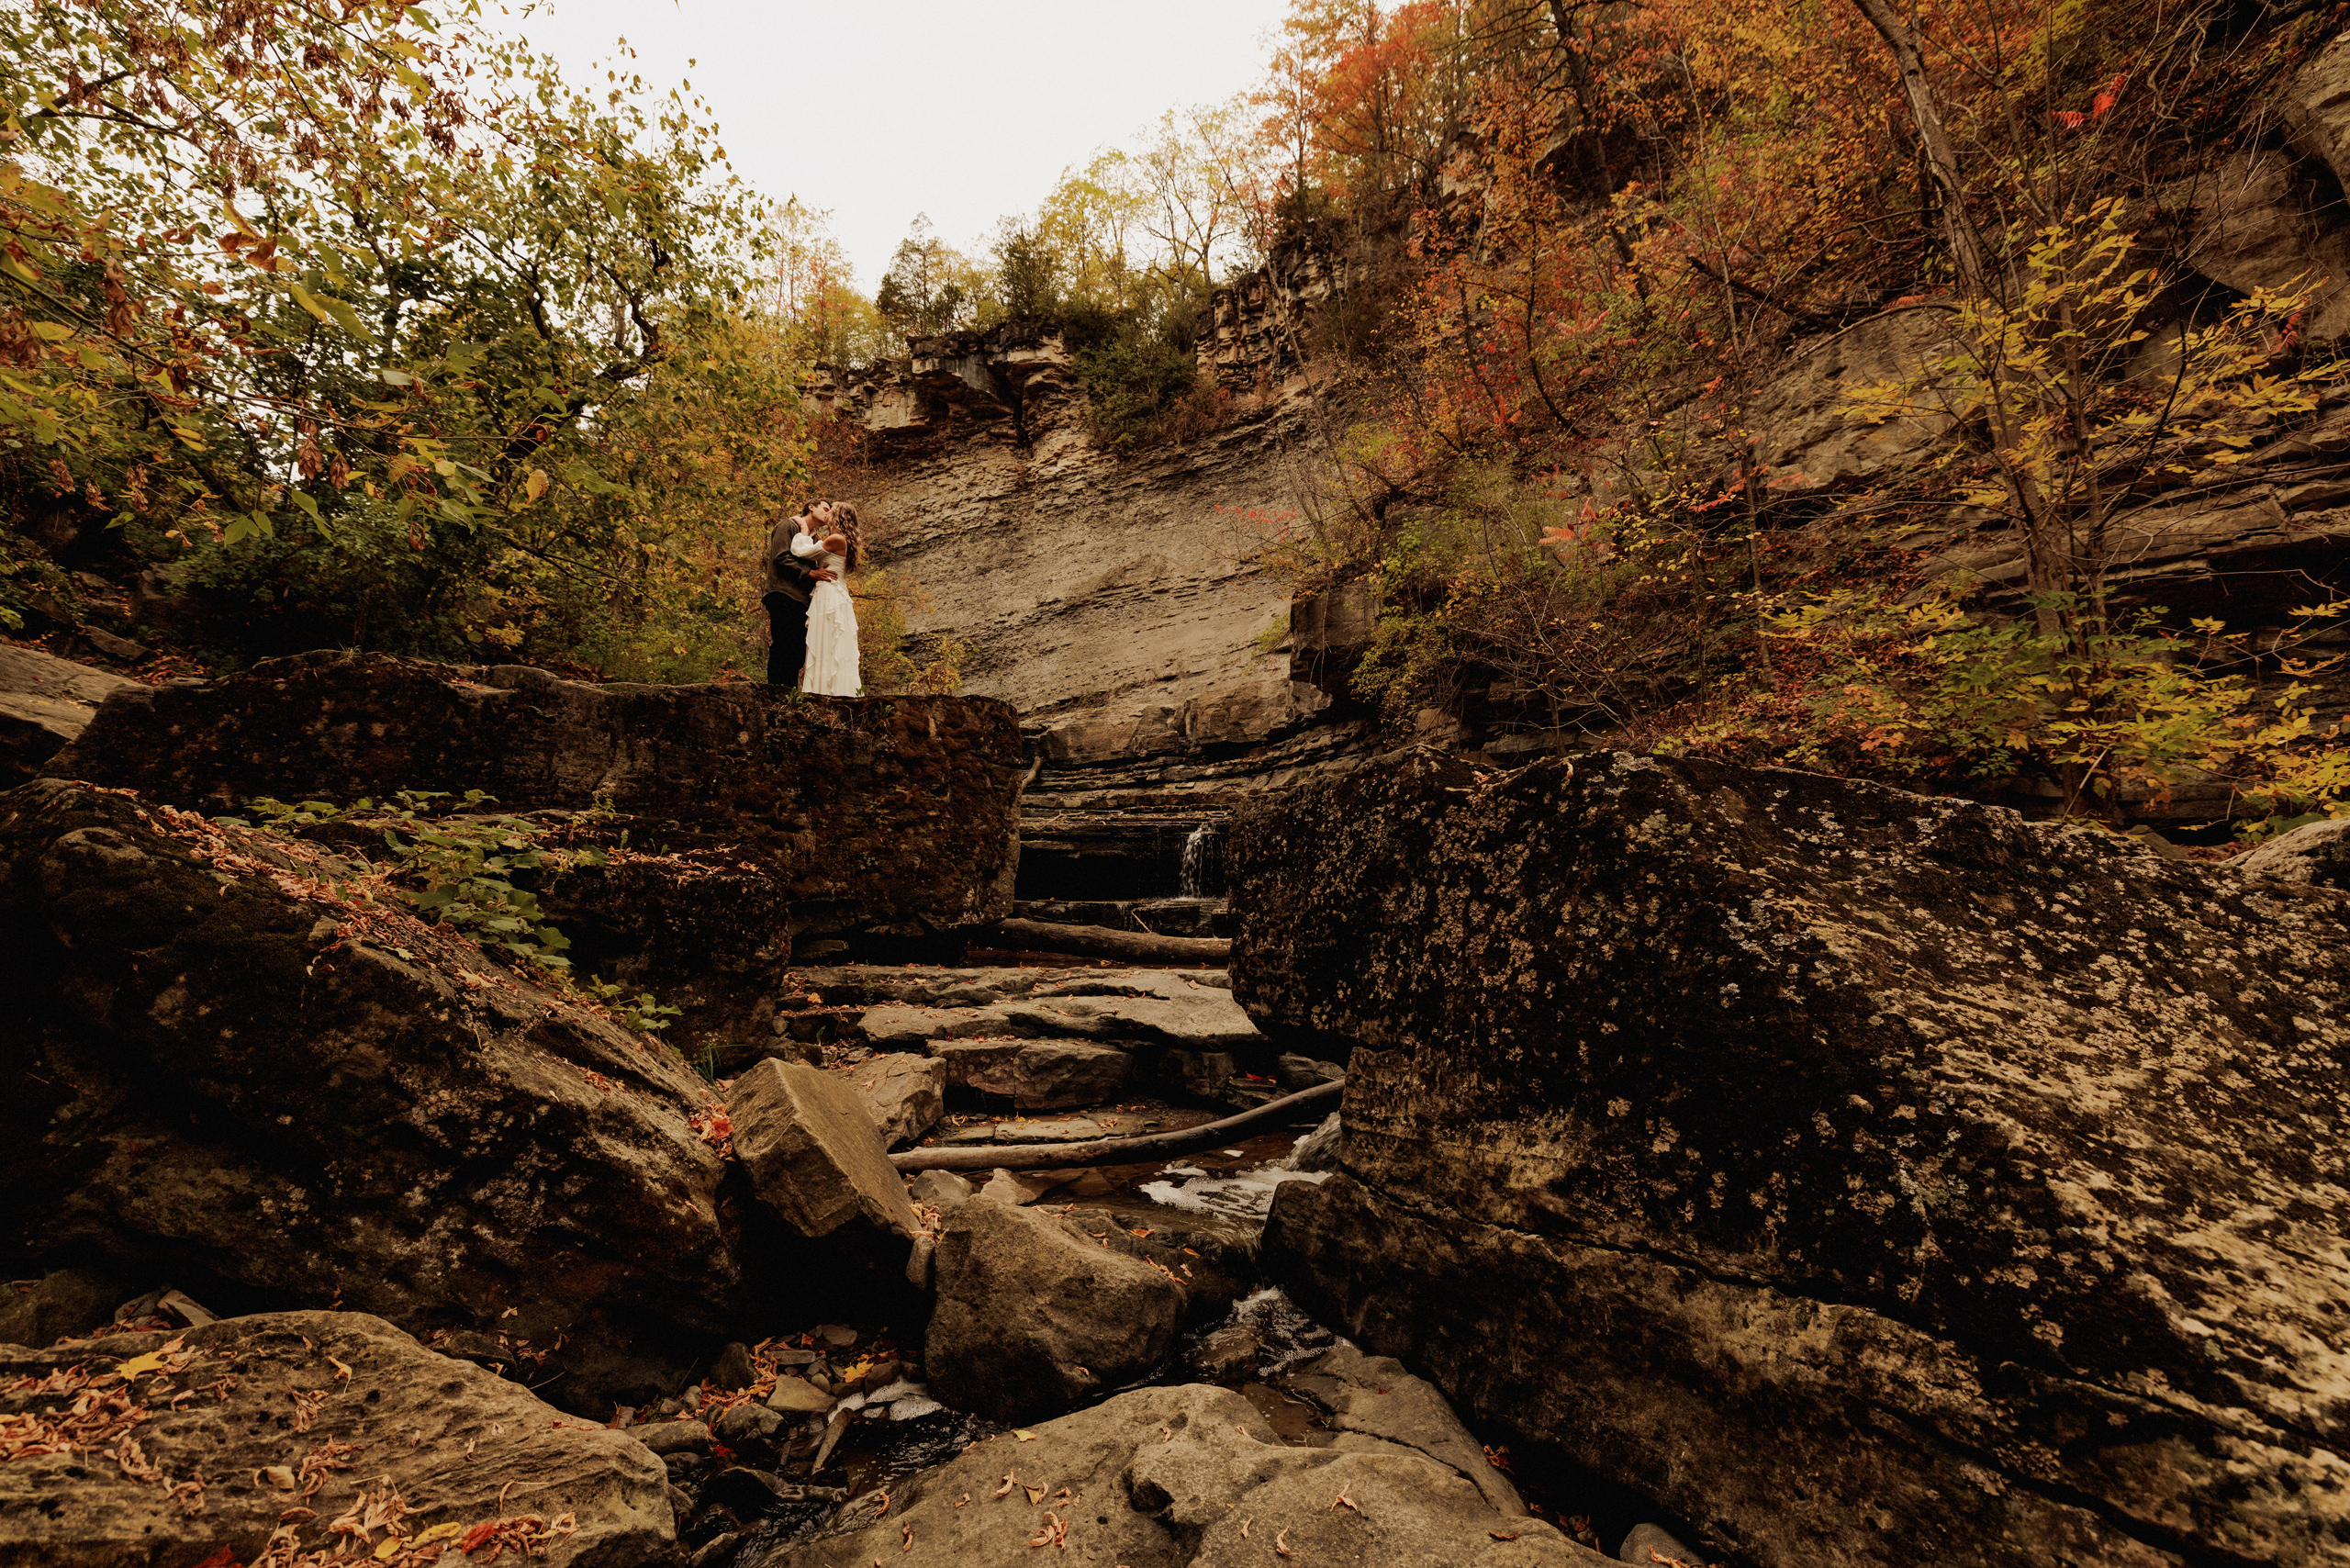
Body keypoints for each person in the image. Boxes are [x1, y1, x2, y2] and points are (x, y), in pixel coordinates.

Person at [760, 503, 835, 688]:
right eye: (825, 509)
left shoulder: (814, 538)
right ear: (811, 507)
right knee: (783, 645)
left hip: (802, 601)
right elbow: (780, 557)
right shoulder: (788, 526)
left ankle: (789, 694)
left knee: (798, 649)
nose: (828, 514)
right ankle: (776, 693)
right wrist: (811, 573)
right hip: (783, 593)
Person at [791, 500, 863, 695]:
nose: (827, 513)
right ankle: (825, 689)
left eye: (830, 510)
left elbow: (800, 550)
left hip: (829, 595)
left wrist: (804, 529)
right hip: (831, 592)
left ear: (838, 516)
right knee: (828, 640)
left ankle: (827, 691)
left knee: (828, 640)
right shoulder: (835, 539)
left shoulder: (837, 539)